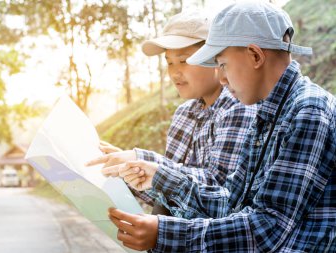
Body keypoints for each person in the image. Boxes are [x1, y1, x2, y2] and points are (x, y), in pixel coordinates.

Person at [105, 2, 336, 252]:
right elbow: (232, 202)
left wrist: (166, 234)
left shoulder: (309, 111)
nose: (222, 78)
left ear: (256, 56)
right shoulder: (267, 115)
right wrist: (162, 177)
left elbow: (269, 228)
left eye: (222, 64)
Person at [86, 11, 256, 215]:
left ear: (215, 58)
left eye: (184, 60)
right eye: (169, 62)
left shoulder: (237, 107)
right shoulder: (184, 114)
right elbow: (169, 193)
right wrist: (129, 171)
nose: (175, 72)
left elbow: (219, 189)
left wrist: (143, 158)